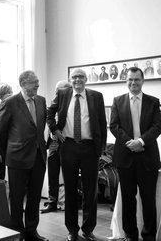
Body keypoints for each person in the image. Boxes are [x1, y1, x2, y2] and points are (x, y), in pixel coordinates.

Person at [47, 68, 107, 241]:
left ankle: (88, 229)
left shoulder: (96, 96)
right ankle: (72, 229)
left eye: (80, 77)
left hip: (90, 148)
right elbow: (49, 114)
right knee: (71, 189)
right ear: (70, 79)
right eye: (74, 77)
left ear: (86, 79)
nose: (77, 80)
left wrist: (101, 148)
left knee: (90, 191)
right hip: (69, 146)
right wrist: (55, 130)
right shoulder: (63, 94)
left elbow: (102, 124)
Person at [109, 67, 161, 241]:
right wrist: (130, 143)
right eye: (130, 79)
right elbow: (114, 126)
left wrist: (140, 142)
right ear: (126, 81)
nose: (133, 83)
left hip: (148, 158)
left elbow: (157, 127)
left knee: (148, 200)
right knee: (128, 199)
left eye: (137, 79)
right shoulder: (118, 101)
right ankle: (130, 235)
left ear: (143, 81)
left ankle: (149, 236)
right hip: (125, 158)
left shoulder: (153, 102)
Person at [0, 70, 48, 241]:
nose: (38, 85)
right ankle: (17, 232)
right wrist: (8, 155)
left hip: (39, 157)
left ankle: (32, 231)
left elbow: (39, 128)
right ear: (24, 84)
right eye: (34, 82)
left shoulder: (41, 101)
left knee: (35, 197)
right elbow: (1, 132)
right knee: (17, 198)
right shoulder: (10, 103)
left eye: (38, 81)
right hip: (17, 158)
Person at [41, 79, 72, 214]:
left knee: (69, 174)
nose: (56, 93)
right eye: (56, 90)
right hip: (53, 144)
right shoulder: (53, 103)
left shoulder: (72, 104)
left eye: (59, 91)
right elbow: (49, 119)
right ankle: (52, 202)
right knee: (52, 173)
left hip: (68, 144)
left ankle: (70, 202)